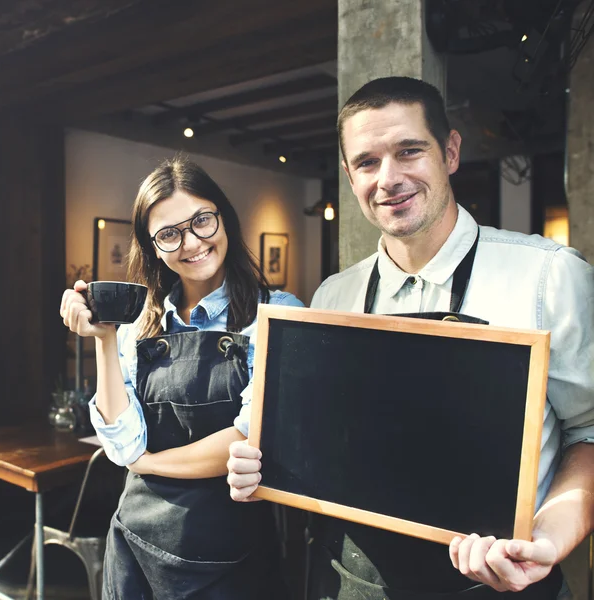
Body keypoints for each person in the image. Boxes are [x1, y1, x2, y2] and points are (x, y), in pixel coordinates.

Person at [226, 77, 594, 599]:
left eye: (409, 151)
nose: (389, 178)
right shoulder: (334, 295)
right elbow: (313, 440)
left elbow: (589, 433)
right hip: (354, 579)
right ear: (350, 177)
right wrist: (258, 464)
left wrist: (547, 541)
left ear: (449, 152)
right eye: (367, 162)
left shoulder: (549, 276)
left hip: (497, 580)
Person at [60, 156, 303, 599]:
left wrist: (150, 464)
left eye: (202, 221)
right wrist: (103, 339)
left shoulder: (277, 314)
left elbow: (254, 435)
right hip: (135, 548)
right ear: (154, 247)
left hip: (231, 555)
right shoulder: (138, 324)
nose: (191, 242)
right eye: (170, 234)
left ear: (224, 219)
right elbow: (123, 442)